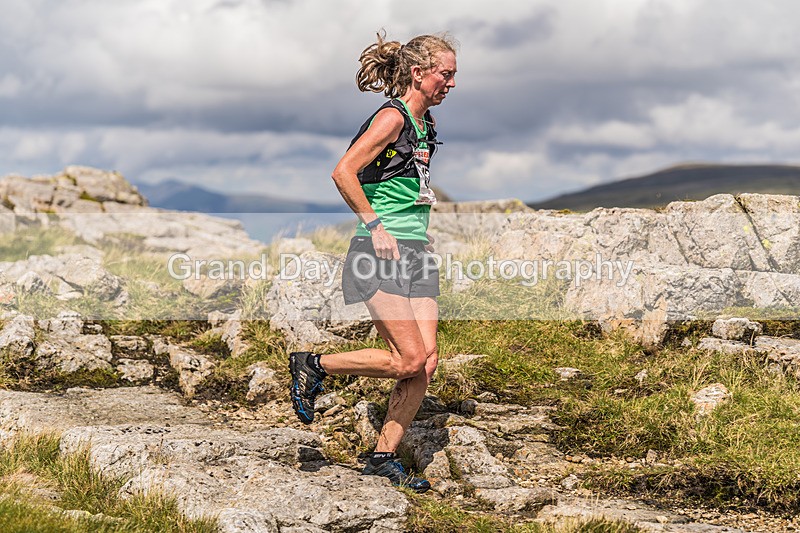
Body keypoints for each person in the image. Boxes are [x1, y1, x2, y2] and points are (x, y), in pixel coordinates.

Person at [288, 31, 457, 494]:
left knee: (426, 364)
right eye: (446, 74)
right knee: (408, 358)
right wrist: (376, 226)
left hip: (416, 253)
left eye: (454, 75)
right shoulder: (391, 118)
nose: (452, 83)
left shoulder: (427, 124)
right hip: (378, 253)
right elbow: (342, 171)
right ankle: (314, 363)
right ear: (419, 73)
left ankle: (382, 456)